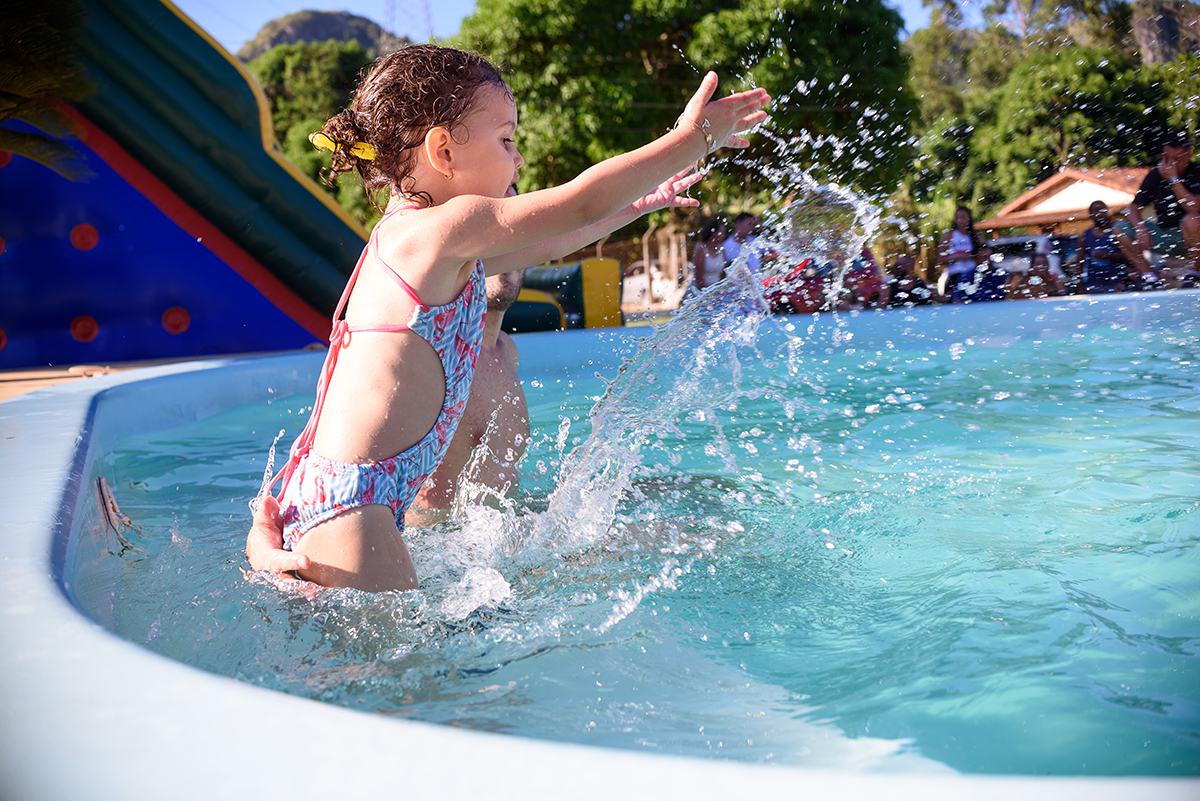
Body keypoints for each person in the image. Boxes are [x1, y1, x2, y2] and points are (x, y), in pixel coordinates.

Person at [245, 44, 770, 592]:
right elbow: (578, 202)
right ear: (443, 150)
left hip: (342, 505)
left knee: (398, 671)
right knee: (411, 679)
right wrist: (690, 140)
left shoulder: (427, 248)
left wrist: (638, 206)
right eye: (507, 139)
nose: (518, 159)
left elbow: (552, 237)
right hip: (356, 516)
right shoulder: (439, 230)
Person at [1114, 129, 1200, 276]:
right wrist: (1140, 228)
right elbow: (1133, 208)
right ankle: (1149, 277)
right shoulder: (1155, 174)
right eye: (1166, 158)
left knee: (1193, 220)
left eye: (1177, 159)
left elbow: (1193, 207)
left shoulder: (1197, 171)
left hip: (1192, 237)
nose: (1170, 164)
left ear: (1189, 156)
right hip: (1163, 235)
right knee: (1119, 228)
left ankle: (1193, 274)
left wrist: (1173, 179)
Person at [1078, 200, 1134, 294]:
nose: (1101, 214)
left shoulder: (1117, 231)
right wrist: (1079, 286)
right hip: (1094, 284)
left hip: (1119, 283)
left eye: (1103, 210)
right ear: (1090, 214)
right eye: (1097, 211)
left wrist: (1107, 255)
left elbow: (1131, 255)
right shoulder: (1085, 236)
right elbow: (1079, 262)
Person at [936, 206, 979, 303]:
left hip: (972, 275)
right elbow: (939, 260)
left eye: (963, 217)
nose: (960, 220)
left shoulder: (976, 236)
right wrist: (959, 257)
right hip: (954, 275)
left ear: (969, 218)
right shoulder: (948, 236)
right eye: (958, 217)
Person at [689, 216, 727, 291]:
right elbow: (699, 276)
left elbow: (723, 273)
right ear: (713, 233)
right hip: (702, 290)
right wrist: (706, 295)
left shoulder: (722, 248)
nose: (724, 235)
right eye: (722, 232)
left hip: (717, 290)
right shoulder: (700, 248)